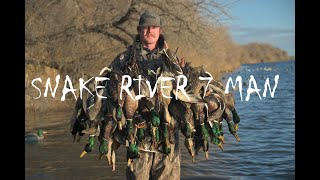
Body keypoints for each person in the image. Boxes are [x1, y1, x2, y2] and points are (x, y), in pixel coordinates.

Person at [106, 10, 182, 180]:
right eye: (145, 27)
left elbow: (184, 90)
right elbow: (107, 86)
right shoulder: (124, 58)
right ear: (138, 30)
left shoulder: (172, 59)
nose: (150, 31)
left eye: (154, 27)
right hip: (138, 133)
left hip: (167, 134)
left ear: (160, 30)